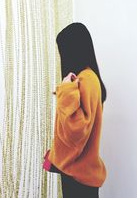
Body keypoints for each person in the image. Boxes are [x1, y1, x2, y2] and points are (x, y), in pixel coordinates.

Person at [42, 22, 107, 198]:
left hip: (78, 177)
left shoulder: (86, 80)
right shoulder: (87, 78)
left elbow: (76, 131)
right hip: (79, 173)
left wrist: (66, 91)